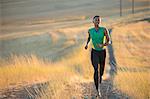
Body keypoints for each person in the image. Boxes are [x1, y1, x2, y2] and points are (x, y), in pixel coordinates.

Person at [85, 15, 109, 97]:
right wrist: (87, 44)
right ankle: (97, 89)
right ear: (93, 21)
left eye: (98, 20)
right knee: (96, 69)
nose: (97, 21)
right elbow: (89, 38)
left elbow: (109, 40)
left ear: (100, 21)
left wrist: (104, 44)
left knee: (101, 69)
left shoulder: (104, 30)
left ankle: (101, 76)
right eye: (96, 20)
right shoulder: (90, 30)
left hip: (102, 52)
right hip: (94, 52)